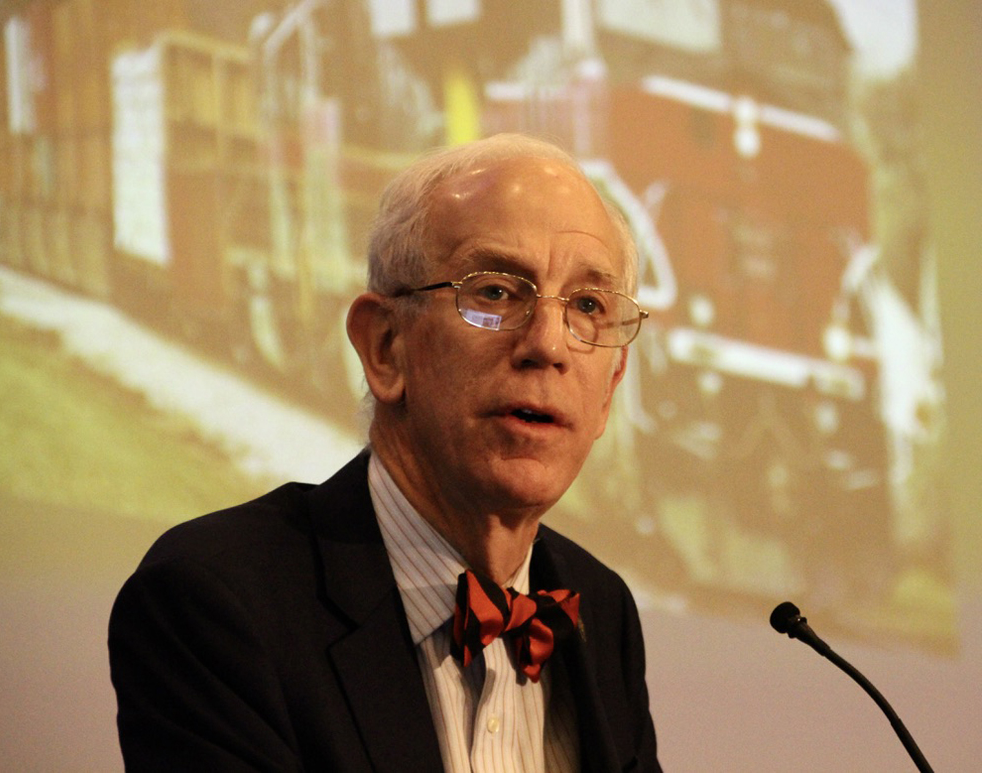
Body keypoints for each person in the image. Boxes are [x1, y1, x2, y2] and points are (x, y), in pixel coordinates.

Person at [108, 133, 662, 772]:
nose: (550, 345)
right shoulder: (217, 603)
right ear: (385, 348)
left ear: (610, 389)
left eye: (588, 306)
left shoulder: (603, 612)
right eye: (496, 293)